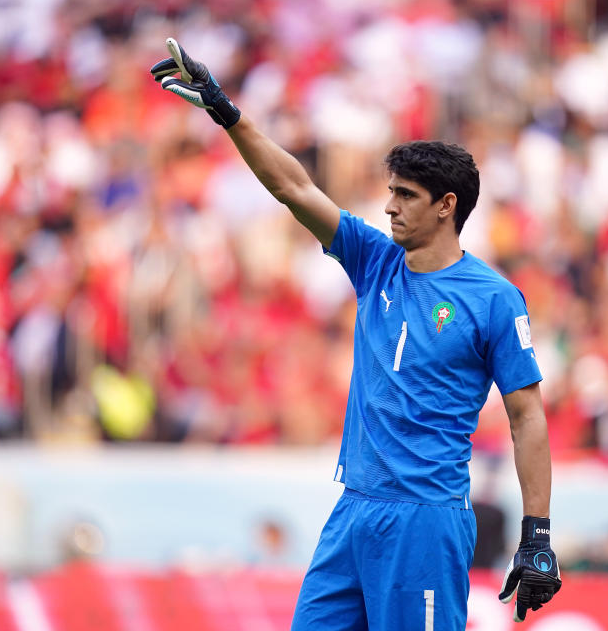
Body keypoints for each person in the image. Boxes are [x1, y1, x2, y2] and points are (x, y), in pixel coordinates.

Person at [150, 39, 562, 629]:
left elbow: (527, 416)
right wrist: (228, 115)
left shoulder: (494, 299)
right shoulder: (374, 261)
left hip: (426, 519)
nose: (389, 206)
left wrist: (537, 533)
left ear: (447, 206)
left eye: (405, 196)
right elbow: (293, 188)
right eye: (391, 191)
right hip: (354, 510)